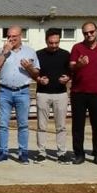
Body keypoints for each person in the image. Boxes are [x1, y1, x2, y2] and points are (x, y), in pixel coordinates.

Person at [0, 25, 39, 164]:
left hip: (22, 91)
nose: (11, 39)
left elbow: (37, 73)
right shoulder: (3, 50)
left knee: (23, 124)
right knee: (2, 124)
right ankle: (2, 152)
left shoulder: (30, 52)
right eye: (9, 36)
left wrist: (29, 67)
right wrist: (5, 53)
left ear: (21, 36)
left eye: (14, 36)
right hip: (5, 91)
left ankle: (23, 153)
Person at [68, 21, 97, 165]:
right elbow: (71, 67)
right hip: (78, 92)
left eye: (91, 32)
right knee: (78, 125)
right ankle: (79, 154)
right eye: (86, 33)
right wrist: (79, 64)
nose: (89, 35)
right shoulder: (77, 48)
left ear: (96, 31)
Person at [33, 29, 71, 163]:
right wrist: (39, 79)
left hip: (60, 94)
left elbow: (71, 71)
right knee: (41, 125)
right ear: (46, 41)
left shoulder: (66, 54)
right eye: (51, 43)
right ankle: (41, 152)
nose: (54, 45)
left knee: (61, 126)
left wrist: (67, 78)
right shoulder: (38, 54)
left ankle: (61, 153)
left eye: (57, 42)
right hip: (43, 93)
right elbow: (34, 72)